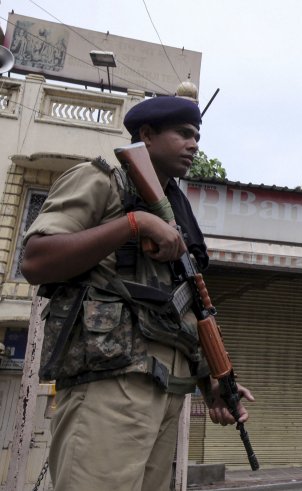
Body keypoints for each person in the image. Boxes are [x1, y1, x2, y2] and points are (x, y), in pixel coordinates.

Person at [21, 96, 254, 491]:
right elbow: (36, 260)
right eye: (183, 134)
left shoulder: (179, 213)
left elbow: (179, 308)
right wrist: (135, 223)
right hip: (109, 386)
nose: (194, 144)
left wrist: (209, 380)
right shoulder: (102, 181)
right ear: (146, 135)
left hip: (167, 395)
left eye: (197, 135)